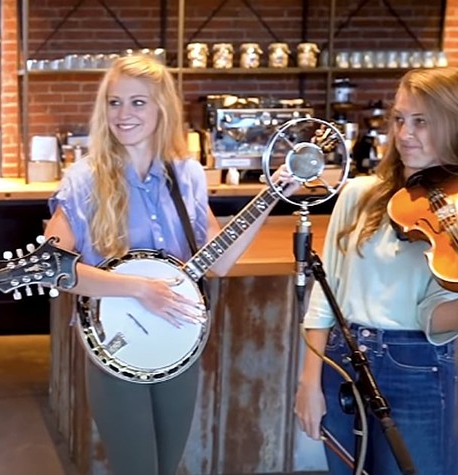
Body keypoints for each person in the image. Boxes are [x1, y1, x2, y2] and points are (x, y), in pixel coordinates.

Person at [44, 54, 295, 475]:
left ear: (163, 108)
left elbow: (221, 260)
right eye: (114, 102)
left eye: (138, 102)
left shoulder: (187, 175)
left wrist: (271, 195)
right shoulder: (84, 179)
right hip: (115, 345)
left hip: (178, 342)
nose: (123, 114)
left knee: (166, 465)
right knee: (136, 468)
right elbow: (54, 267)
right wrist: (139, 288)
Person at [294, 67, 458, 475]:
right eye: (400, 119)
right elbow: (324, 294)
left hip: (418, 363)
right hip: (342, 358)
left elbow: (433, 316)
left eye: (421, 122)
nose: (404, 134)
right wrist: (309, 381)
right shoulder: (358, 194)